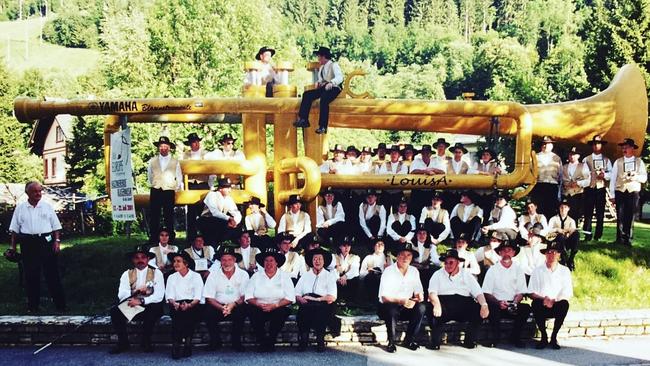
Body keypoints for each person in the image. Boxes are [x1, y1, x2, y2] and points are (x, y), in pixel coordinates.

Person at [8, 181, 66, 313]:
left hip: (45, 242)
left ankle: (61, 306)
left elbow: (56, 227)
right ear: (27, 192)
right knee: (31, 275)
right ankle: (33, 306)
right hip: (28, 243)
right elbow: (14, 230)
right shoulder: (20, 208)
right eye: (35, 191)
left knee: (52, 274)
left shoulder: (47, 207)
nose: (38, 194)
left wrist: (57, 241)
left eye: (40, 191)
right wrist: (13, 247)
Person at [427, 249, 489, 350]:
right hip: (444, 305)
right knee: (431, 307)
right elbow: (432, 293)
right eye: (446, 263)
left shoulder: (467, 275)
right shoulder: (437, 274)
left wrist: (484, 305)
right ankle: (435, 342)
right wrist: (437, 304)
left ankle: (470, 340)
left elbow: (478, 292)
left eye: (451, 262)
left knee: (478, 308)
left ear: (458, 262)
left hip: (463, 306)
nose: (448, 265)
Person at [109, 245, 164, 354]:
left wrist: (142, 301)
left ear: (148, 259)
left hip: (151, 304)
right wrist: (134, 292)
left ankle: (146, 341)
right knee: (115, 312)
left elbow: (159, 295)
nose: (140, 260)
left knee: (153, 310)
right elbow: (121, 294)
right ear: (133, 260)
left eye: (143, 257)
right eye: (137, 258)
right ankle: (123, 343)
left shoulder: (157, 273)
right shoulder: (127, 274)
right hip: (134, 304)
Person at [377, 243, 427, 353]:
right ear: (397, 256)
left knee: (421, 308)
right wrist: (401, 301)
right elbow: (384, 297)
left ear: (412, 257)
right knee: (391, 309)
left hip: (406, 305)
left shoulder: (414, 271)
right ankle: (391, 342)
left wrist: (419, 297)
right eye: (402, 255)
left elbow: (419, 291)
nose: (405, 258)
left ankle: (409, 340)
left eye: (409, 255)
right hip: (389, 305)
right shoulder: (389, 271)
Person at [481, 241, 531, 348]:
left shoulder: (518, 270)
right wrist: (498, 302)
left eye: (509, 250)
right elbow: (486, 292)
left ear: (513, 253)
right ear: (499, 253)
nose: (506, 253)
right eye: (503, 250)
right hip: (496, 303)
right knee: (492, 307)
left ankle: (515, 337)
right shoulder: (492, 270)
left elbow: (521, 292)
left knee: (526, 308)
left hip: (512, 304)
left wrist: (514, 303)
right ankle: (495, 337)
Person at [245, 248, 295, 352]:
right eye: (266, 261)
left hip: (278, 306)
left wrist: (275, 305)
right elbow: (248, 296)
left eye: (271, 260)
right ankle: (262, 342)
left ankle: (271, 341)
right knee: (252, 313)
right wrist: (259, 304)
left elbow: (290, 297)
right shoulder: (256, 276)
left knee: (280, 314)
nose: (269, 263)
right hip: (259, 306)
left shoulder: (284, 276)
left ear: (277, 263)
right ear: (263, 263)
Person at [203, 246, 250, 352]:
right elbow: (209, 297)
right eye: (224, 260)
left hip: (236, 305)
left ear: (234, 260)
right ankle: (215, 341)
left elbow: (244, 296)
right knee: (208, 312)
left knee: (242, 312)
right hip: (218, 305)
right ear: (220, 261)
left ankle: (236, 341)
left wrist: (232, 305)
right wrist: (222, 308)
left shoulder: (243, 274)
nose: (226, 263)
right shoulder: (213, 275)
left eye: (229, 259)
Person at [529, 241, 573, 350]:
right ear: (545, 254)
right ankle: (544, 337)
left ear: (559, 254)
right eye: (548, 252)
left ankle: (554, 337)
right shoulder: (537, 270)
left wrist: (555, 300)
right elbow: (531, 292)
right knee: (535, 303)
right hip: (542, 302)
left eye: (554, 252)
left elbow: (567, 292)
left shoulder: (565, 271)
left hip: (557, 303)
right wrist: (544, 299)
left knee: (564, 304)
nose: (551, 255)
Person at [295, 247, 338, 352]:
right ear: (311, 261)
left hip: (323, 304)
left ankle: (320, 340)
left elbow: (332, 297)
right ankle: (304, 339)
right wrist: (300, 299)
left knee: (322, 311)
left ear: (324, 261)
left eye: (320, 259)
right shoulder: (305, 276)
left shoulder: (329, 276)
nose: (317, 261)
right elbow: (296, 293)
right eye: (315, 259)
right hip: (307, 304)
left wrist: (317, 299)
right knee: (303, 311)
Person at [293, 46, 344, 134]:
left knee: (324, 99)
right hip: (324, 88)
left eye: (319, 56)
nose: (318, 58)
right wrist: (318, 82)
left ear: (324, 56)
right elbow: (321, 80)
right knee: (307, 94)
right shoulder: (322, 68)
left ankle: (323, 126)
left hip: (334, 88)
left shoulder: (334, 65)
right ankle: (303, 119)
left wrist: (332, 82)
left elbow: (340, 77)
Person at [165, 252, 203, 359]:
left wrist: (189, 305)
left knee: (188, 314)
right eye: (174, 261)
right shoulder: (171, 277)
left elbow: (198, 296)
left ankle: (187, 343)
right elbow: (169, 295)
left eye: (179, 261)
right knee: (178, 315)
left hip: (193, 304)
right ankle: (176, 345)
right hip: (176, 304)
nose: (175, 264)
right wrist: (174, 303)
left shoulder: (196, 276)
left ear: (186, 263)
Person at [610, 138, 648, 246]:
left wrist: (635, 177)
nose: (624, 149)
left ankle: (628, 239)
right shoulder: (618, 162)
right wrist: (612, 195)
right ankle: (619, 238)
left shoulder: (639, 162)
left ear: (632, 148)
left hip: (633, 191)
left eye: (626, 147)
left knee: (630, 216)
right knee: (620, 215)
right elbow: (613, 179)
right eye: (623, 147)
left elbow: (644, 178)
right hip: (620, 191)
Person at [147, 136, 183, 244]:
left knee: (169, 215)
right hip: (156, 189)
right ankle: (154, 238)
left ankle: (170, 238)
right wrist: (154, 183)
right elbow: (149, 175)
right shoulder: (152, 161)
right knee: (154, 215)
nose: (163, 148)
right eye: (161, 146)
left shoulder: (175, 161)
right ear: (158, 148)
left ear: (169, 148)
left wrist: (174, 187)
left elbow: (179, 176)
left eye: (165, 146)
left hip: (168, 190)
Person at [582, 135, 612, 241]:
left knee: (600, 213)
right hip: (590, 187)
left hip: (601, 188)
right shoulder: (586, 159)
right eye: (594, 144)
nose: (596, 146)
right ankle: (587, 234)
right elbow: (583, 173)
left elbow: (611, 174)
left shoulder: (606, 160)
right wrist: (591, 175)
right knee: (588, 212)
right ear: (592, 146)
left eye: (598, 143)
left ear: (601, 145)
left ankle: (598, 235)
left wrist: (604, 175)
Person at [198, 177, 242, 247]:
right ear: (220, 188)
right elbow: (214, 212)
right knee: (220, 224)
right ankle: (214, 245)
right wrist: (229, 218)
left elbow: (236, 212)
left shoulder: (228, 198)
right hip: (207, 220)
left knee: (238, 227)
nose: (229, 190)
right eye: (227, 188)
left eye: (230, 188)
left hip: (221, 221)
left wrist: (235, 221)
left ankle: (231, 246)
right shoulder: (212, 195)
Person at [182, 132, 209, 241]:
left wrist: (210, 185)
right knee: (191, 212)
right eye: (192, 142)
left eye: (196, 141)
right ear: (189, 144)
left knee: (205, 211)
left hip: (203, 183)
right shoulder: (185, 155)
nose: (195, 144)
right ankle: (191, 237)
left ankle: (206, 236)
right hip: (191, 184)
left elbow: (211, 169)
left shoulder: (206, 154)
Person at [530, 136, 562, 219]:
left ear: (552, 146)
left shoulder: (557, 158)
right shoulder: (535, 157)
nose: (545, 146)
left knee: (551, 208)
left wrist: (559, 191)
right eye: (544, 144)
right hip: (539, 185)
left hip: (552, 186)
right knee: (539, 208)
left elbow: (560, 175)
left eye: (548, 144)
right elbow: (530, 171)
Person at [409, 144, 445, 216]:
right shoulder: (416, 161)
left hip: (430, 191)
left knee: (429, 214)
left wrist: (433, 169)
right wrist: (425, 171)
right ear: (421, 154)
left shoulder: (435, 161)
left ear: (430, 154)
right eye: (423, 153)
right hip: (417, 191)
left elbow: (443, 172)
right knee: (416, 213)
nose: (425, 154)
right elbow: (413, 171)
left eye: (427, 153)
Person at [471, 148, 502, 223]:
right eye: (483, 154)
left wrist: (499, 171)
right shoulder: (477, 164)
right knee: (476, 213)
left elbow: (503, 174)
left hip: (489, 194)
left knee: (487, 214)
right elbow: (470, 171)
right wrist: (482, 173)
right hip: (478, 194)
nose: (485, 156)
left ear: (490, 157)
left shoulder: (495, 165)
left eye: (487, 154)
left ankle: (484, 230)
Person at [547, 200, 580, 270]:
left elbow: (573, 230)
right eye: (561, 207)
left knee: (576, 234)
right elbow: (548, 230)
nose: (563, 209)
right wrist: (556, 229)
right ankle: (564, 259)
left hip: (567, 241)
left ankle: (571, 259)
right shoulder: (553, 219)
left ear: (568, 209)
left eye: (565, 207)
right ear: (559, 208)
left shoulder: (571, 220)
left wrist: (570, 232)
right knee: (560, 236)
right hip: (557, 241)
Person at [561, 146, 590, 224]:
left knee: (575, 214)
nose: (572, 156)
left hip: (578, 194)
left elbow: (588, 180)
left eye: (574, 154)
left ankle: (574, 232)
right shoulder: (564, 166)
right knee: (564, 215)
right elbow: (561, 180)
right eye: (570, 154)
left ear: (578, 156)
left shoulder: (583, 166)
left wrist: (578, 183)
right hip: (566, 194)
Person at [360, 238, 393, 302]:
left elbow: (394, 274)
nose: (380, 246)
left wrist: (388, 270)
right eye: (378, 244)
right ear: (374, 247)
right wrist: (368, 271)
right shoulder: (368, 258)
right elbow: (361, 274)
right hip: (371, 281)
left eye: (382, 244)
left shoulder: (388, 259)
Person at [376, 145, 408, 214]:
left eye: (395, 153)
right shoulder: (385, 164)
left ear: (399, 155)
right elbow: (381, 175)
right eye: (392, 153)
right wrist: (395, 175)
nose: (393, 155)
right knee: (384, 212)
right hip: (386, 192)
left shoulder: (403, 164)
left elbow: (403, 175)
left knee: (398, 213)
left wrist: (389, 174)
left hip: (398, 192)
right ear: (390, 154)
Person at [410, 225, 440, 289]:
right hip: (413, 268)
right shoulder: (411, 245)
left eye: (424, 233)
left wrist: (427, 265)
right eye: (419, 233)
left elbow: (436, 261)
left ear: (427, 235)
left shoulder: (431, 246)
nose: (422, 235)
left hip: (425, 268)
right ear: (416, 235)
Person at [443, 142, 470, 211]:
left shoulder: (466, 165)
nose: (457, 154)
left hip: (460, 193)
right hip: (449, 192)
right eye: (456, 152)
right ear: (453, 153)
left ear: (462, 153)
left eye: (459, 152)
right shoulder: (446, 163)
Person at [334, 237, 361, 304]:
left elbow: (355, 270)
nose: (346, 248)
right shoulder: (334, 257)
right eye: (344, 246)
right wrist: (338, 278)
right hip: (338, 279)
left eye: (348, 246)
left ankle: (350, 302)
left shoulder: (355, 257)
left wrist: (345, 276)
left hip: (349, 279)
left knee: (355, 279)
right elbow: (333, 269)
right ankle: (337, 300)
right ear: (340, 246)